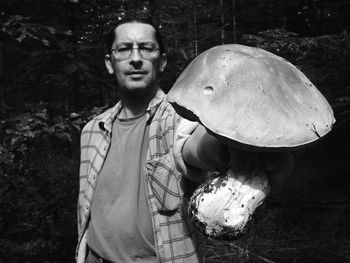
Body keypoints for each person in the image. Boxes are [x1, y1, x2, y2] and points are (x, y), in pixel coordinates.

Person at [76, 17, 293, 263]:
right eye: (125, 48)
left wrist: (229, 147)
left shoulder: (181, 117)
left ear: (162, 61)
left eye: (146, 48)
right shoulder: (92, 130)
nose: (135, 58)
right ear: (109, 62)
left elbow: (194, 146)